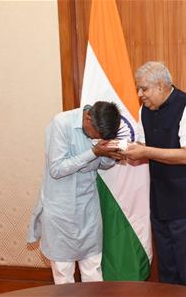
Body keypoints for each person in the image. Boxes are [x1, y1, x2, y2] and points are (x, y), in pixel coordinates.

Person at [119, 61, 186, 288]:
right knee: (167, 272)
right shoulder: (145, 110)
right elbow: (143, 144)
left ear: (161, 86)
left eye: (144, 89)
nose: (140, 95)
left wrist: (145, 151)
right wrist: (124, 150)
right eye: (139, 89)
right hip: (160, 203)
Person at [27, 101, 121, 284]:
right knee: (63, 275)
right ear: (88, 118)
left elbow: (100, 164)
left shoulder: (98, 129)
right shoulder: (62, 124)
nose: (98, 138)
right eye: (98, 135)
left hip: (88, 209)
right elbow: (57, 169)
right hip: (61, 211)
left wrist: (110, 156)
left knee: (93, 270)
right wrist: (93, 151)